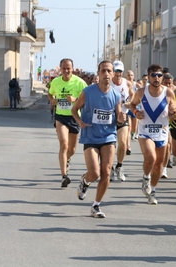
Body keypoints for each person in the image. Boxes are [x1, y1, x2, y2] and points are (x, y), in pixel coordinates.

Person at [72, 60, 126, 218]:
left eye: (110, 71)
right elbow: (74, 109)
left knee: (106, 173)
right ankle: (85, 180)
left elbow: (118, 118)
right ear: (99, 73)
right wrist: (80, 121)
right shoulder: (88, 92)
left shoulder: (116, 95)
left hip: (108, 136)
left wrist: (122, 118)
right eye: (104, 71)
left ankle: (96, 205)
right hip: (90, 136)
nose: (107, 74)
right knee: (94, 173)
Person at [129, 64, 176, 205]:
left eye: (159, 75)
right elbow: (132, 105)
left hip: (162, 132)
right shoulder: (141, 92)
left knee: (158, 165)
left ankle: (153, 191)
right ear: (148, 77)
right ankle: (146, 177)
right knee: (151, 157)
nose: (157, 78)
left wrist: (174, 112)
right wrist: (135, 112)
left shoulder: (168, 92)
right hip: (145, 131)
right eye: (153, 75)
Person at [48, 58, 87, 188]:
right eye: (64, 68)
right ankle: (64, 176)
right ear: (60, 69)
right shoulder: (56, 82)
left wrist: (75, 99)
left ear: (72, 68)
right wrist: (52, 100)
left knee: (72, 149)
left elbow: (86, 98)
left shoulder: (80, 82)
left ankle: (67, 160)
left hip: (75, 118)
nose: (66, 71)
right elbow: (50, 94)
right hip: (61, 117)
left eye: (68, 68)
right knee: (63, 144)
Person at [110, 61, 134, 181]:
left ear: (122, 72)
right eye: (115, 71)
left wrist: (129, 104)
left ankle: (119, 166)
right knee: (109, 145)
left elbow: (133, 97)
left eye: (120, 71)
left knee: (123, 143)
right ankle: (109, 168)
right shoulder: (108, 83)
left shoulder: (127, 83)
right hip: (110, 117)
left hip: (123, 115)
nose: (118, 73)